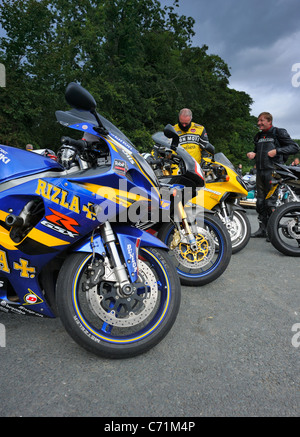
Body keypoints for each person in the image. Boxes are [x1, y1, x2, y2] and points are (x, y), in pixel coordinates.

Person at [247, 112, 299, 238]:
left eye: (261, 120)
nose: (259, 123)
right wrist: (253, 154)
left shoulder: (278, 132)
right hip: (260, 171)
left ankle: (272, 232)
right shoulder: (258, 136)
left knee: (270, 203)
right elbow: (257, 150)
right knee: (260, 203)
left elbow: (294, 147)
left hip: (273, 172)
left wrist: (277, 151)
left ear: (269, 121)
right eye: (258, 120)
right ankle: (262, 229)